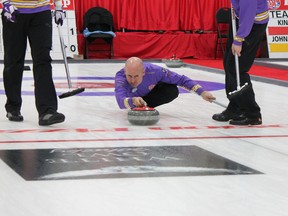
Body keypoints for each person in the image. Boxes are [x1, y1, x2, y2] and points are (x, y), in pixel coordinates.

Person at [1, 0, 65, 126]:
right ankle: (13, 107)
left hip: (41, 12)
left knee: (43, 60)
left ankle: (47, 111)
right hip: (14, 11)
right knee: (13, 61)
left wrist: (58, 6)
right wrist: (5, 3)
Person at [212, 0, 269, 125]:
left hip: (252, 24)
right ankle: (235, 107)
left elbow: (248, 14)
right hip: (240, 19)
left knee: (238, 68)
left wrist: (239, 39)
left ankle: (252, 113)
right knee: (229, 64)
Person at [114, 57, 215, 110]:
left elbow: (181, 80)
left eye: (136, 76)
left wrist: (202, 92)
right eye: (129, 76)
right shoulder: (120, 76)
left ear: (143, 72)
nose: (132, 80)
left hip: (149, 95)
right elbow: (120, 101)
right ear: (125, 71)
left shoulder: (156, 71)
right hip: (132, 99)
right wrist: (132, 101)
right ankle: (137, 104)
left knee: (172, 90)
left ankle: (144, 105)